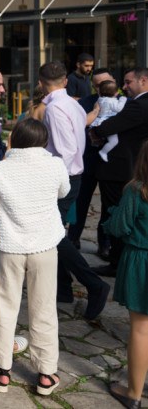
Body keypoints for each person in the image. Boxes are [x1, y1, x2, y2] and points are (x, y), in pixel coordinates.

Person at [0, 118, 70, 396]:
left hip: (9, 247)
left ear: (13, 138)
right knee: (44, 309)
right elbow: (64, 191)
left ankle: (2, 370)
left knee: (4, 307)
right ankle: (46, 374)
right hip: (45, 246)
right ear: (43, 141)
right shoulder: (55, 164)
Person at [40, 61, 110, 319]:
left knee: (54, 236)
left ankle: (93, 284)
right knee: (53, 234)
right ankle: (64, 289)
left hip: (64, 177)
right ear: (66, 81)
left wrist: (55, 180)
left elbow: (67, 151)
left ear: (40, 82)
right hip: (71, 176)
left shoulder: (56, 108)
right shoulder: (70, 104)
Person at [90, 67, 148, 277]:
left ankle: (117, 262)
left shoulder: (139, 105)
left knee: (116, 213)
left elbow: (109, 126)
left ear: (143, 80)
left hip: (120, 170)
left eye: (128, 82)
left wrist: (95, 131)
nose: (124, 87)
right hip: (134, 167)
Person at [105, 140, 148, 409]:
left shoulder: (136, 190)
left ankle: (133, 393)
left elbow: (119, 227)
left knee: (141, 329)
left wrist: (111, 216)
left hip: (141, 259)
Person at [69, 68, 116, 259]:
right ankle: (73, 238)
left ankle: (104, 243)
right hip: (87, 160)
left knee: (107, 206)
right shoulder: (85, 103)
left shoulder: (123, 103)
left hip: (111, 163)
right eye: (96, 85)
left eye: (104, 83)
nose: (100, 88)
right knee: (80, 202)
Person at [91, 80, 127, 162]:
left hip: (100, 121)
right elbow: (118, 109)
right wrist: (123, 100)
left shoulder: (100, 99)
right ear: (116, 93)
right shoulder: (111, 101)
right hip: (108, 122)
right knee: (114, 141)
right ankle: (103, 152)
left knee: (103, 139)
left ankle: (98, 145)